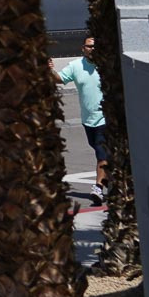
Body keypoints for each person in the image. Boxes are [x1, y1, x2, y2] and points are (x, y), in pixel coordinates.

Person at [52, 36, 108, 202]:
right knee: (98, 150)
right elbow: (59, 79)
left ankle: (98, 187)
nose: (92, 49)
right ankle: (111, 179)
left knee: (102, 152)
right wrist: (49, 70)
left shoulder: (107, 65)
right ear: (83, 48)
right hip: (88, 120)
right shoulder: (76, 66)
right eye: (89, 46)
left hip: (105, 119)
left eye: (95, 46)